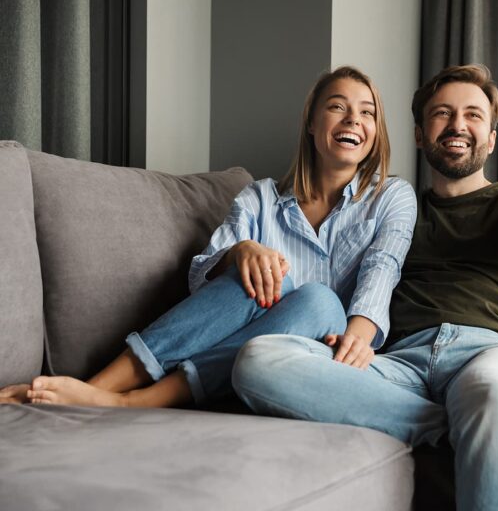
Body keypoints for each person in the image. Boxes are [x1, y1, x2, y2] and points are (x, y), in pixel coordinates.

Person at [228, 64, 498, 510]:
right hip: (401, 368)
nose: (458, 125)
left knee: (492, 392)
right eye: (443, 113)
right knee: (259, 359)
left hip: (495, 355)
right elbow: (340, 280)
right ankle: (485, 427)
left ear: (492, 138)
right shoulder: (391, 209)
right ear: (419, 134)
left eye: (473, 115)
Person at [0, 66, 417, 409]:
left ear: (375, 132)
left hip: (314, 354)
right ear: (312, 123)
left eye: (367, 113)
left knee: (318, 299)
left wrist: (358, 341)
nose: (353, 120)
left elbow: (383, 268)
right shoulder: (260, 197)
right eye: (338, 107)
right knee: (262, 270)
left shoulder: (392, 197)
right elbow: (200, 281)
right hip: (235, 353)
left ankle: (137, 403)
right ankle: (96, 388)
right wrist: (240, 252)